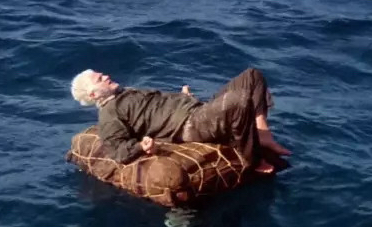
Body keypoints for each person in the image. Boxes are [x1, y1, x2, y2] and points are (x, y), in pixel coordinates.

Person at [70, 67, 291, 173]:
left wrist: (184, 98)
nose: (106, 75)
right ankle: (252, 161)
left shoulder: (126, 93)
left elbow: (157, 109)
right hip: (189, 126)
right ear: (93, 95)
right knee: (239, 99)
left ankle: (263, 134)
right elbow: (117, 150)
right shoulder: (110, 114)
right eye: (100, 79)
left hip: (197, 109)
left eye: (102, 74)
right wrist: (141, 146)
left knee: (252, 76)